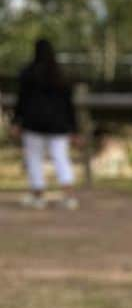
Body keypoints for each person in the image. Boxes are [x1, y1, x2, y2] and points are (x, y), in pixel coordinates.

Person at [11, 38, 79, 209]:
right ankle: (69, 197)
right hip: (59, 125)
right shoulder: (61, 75)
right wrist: (73, 128)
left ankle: (38, 196)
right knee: (61, 158)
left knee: (34, 158)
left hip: (34, 123)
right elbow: (69, 106)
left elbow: (21, 101)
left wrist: (16, 121)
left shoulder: (28, 73)